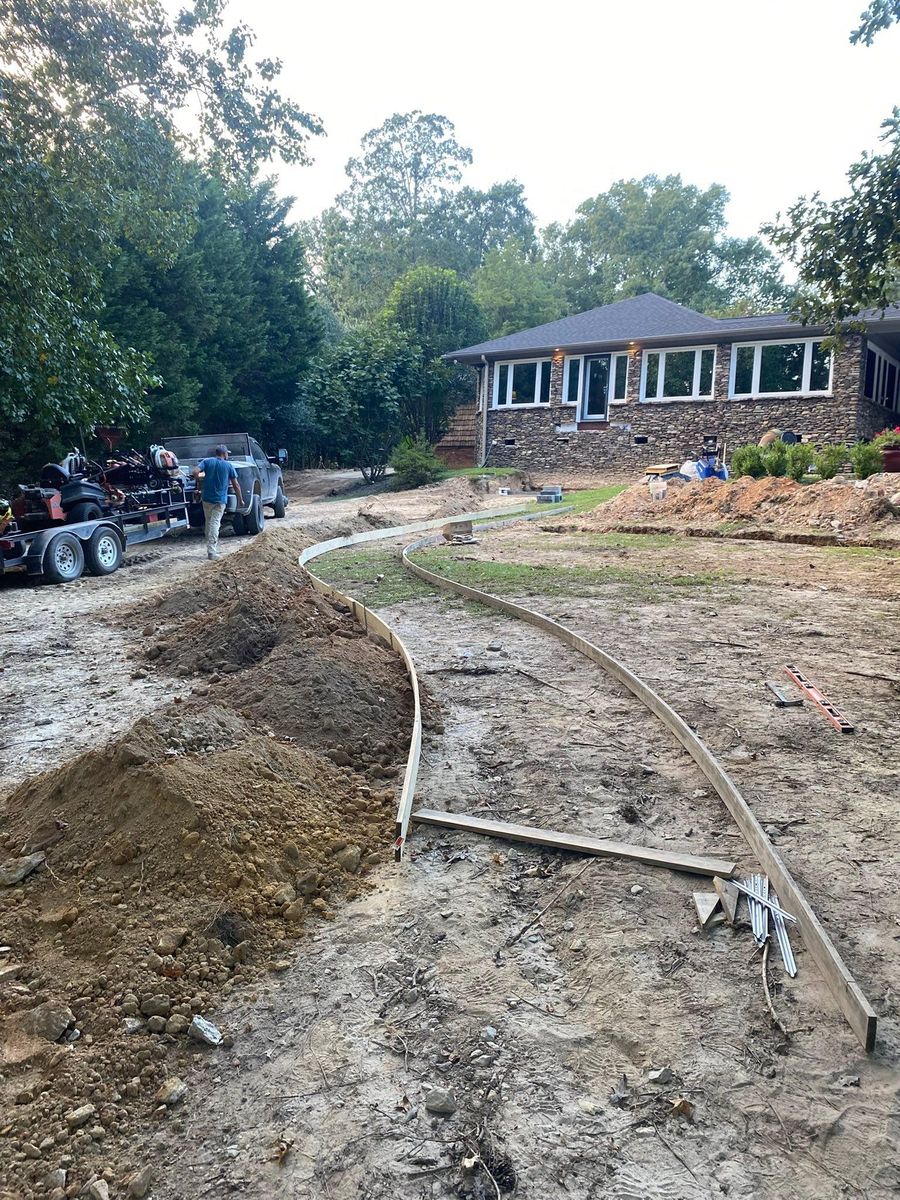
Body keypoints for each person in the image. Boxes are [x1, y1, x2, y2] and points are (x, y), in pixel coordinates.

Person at [193, 444, 243, 560]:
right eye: (227, 454)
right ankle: (212, 552)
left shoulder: (207, 462)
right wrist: (240, 499)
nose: (227, 456)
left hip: (206, 499)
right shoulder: (228, 465)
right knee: (215, 523)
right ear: (224, 454)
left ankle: (210, 547)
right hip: (220, 500)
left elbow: (195, 472)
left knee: (209, 522)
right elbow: (236, 485)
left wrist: (200, 479)